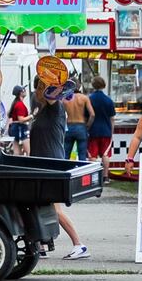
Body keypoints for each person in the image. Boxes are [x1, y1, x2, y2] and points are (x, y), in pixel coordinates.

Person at [29, 72, 90, 260]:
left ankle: (79, 245)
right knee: (38, 204)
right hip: (42, 162)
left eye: (41, 87)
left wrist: (51, 81)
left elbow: (50, 95)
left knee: (54, 209)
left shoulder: (55, 107)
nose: (37, 92)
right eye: (37, 87)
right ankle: (42, 246)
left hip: (52, 162)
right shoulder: (41, 110)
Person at [86, 78, 116, 182]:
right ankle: (105, 176)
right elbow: (112, 118)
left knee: (92, 154)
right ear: (104, 85)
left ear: (93, 85)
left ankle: (93, 177)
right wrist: (111, 131)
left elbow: (87, 116)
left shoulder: (89, 99)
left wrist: (87, 127)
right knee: (105, 154)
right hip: (106, 130)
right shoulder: (108, 100)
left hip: (93, 130)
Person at [62, 85, 94, 161]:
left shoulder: (64, 99)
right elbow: (92, 114)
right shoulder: (84, 98)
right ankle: (82, 172)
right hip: (81, 126)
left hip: (68, 126)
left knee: (66, 154)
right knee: (82, 155)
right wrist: (88, 126)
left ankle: (65, 171)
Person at [6, 85, 30, 155]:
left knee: (17, 153)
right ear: (20, 93)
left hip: (14, 128)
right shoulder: (20, 105)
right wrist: (32, 116)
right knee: (28, 151)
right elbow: (21, 119)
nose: (25, 91)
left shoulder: (15, 103)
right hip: (21, 128)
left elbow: (9, 114)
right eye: (23, 90)